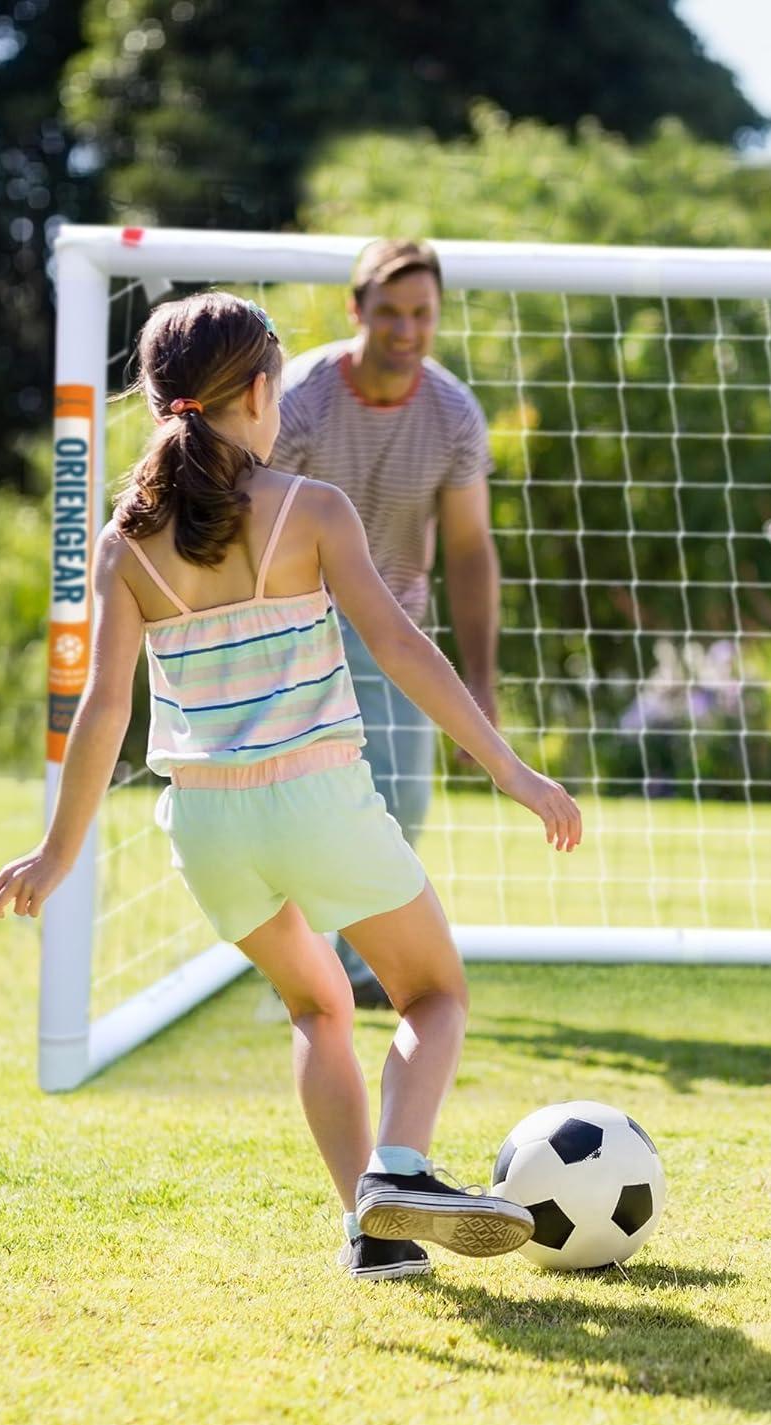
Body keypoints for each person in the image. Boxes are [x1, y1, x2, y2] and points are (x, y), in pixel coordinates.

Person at [0, 293, 583, 1280]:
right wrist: (510, 770)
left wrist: (57, 853)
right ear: (262, 392)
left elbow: (101, 713)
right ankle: (398, 1170)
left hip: (207, 827)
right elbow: (402, 647)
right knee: (433, 993)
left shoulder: (125, 544)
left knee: (317, 1011)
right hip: (317, 801)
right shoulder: (312, 510)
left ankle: (373, 1234)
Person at [271, 238, 497, 1008]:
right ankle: (317, 972)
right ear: (356, 309)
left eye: (421, 314)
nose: (406, 330)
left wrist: (482, 683)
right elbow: (256, 525)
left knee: (402, 802)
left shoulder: (454, 412)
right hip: (294, 628)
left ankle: (353, 966)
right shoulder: (299, 400)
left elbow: (468, 549)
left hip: (395, 633)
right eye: (390, 312)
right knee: (298, 801)